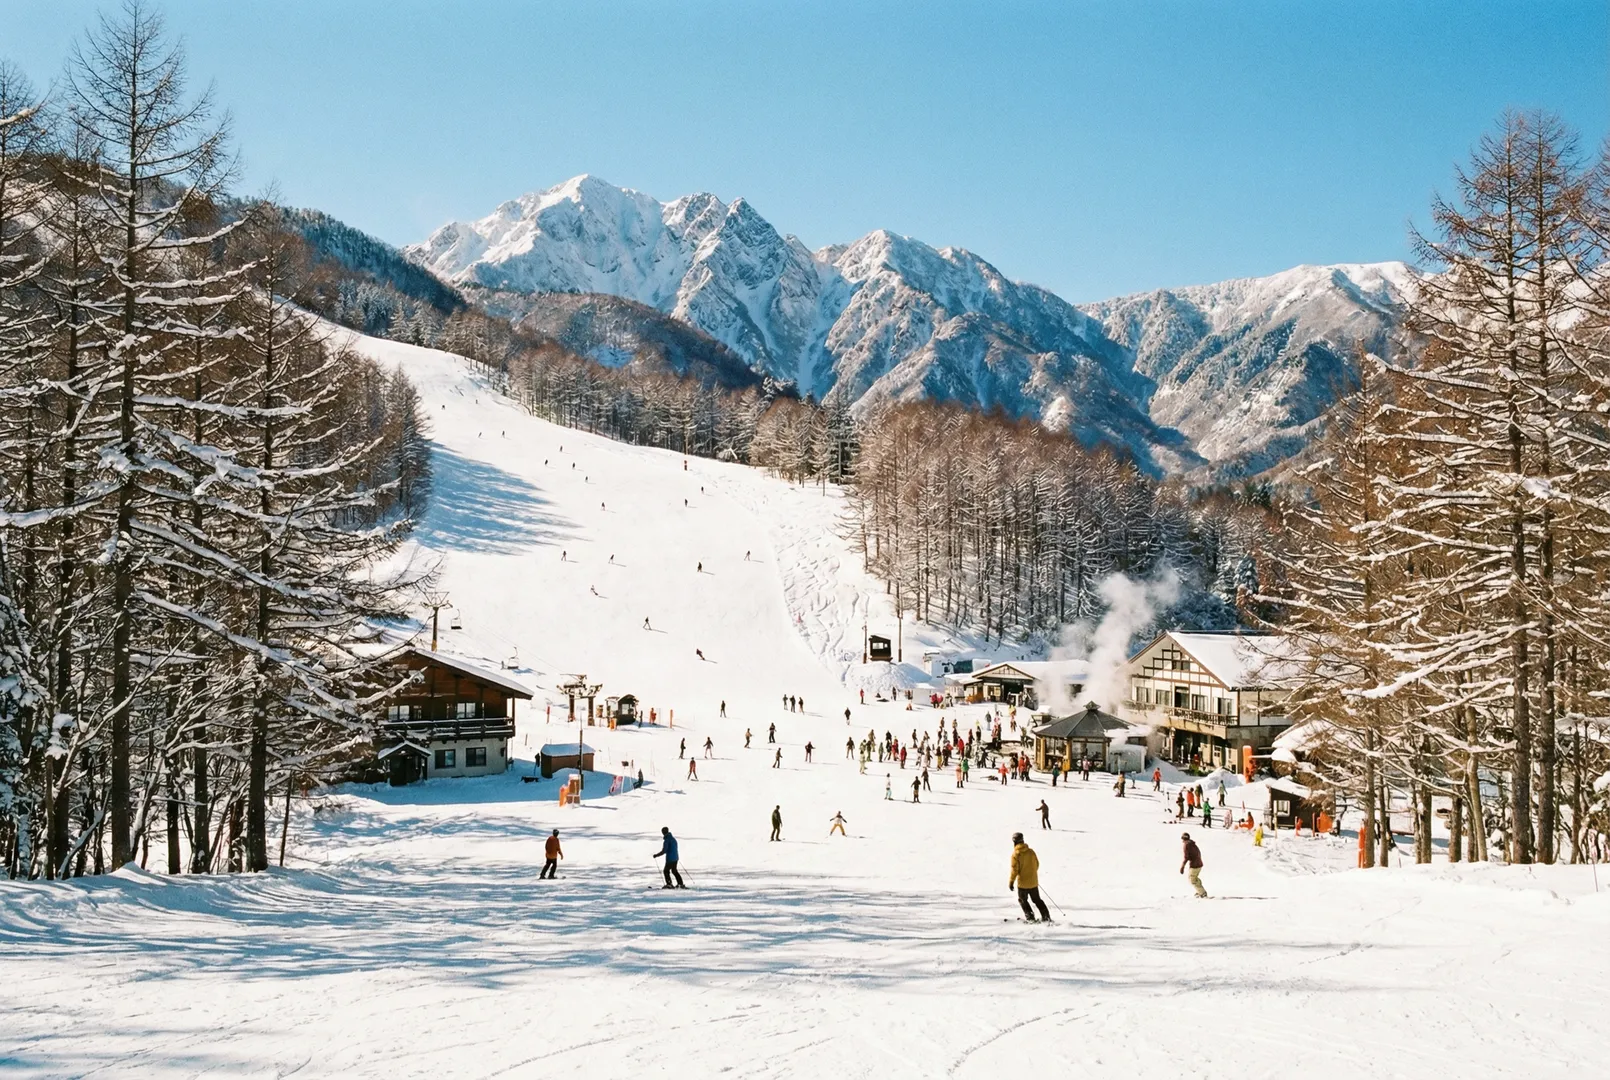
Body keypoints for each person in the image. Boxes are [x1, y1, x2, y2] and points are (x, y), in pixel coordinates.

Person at [1009, 832, 1052, 922]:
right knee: (1037, 900)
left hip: (1023, 884)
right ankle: (1046, 916)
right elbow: (1036, 865)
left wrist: (1011, 882)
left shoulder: (1016, 854)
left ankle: (1030, 917)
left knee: (1022, 900)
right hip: (1033, 882)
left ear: (1014, 842)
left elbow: (1014, 870)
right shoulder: (1031, 852)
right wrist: (1031, 874)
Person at [1180, 831, 1207, 898]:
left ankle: (1202, 893)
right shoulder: (1192, 844)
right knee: (1195, 878)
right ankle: (1200, 891)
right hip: (1199, 864)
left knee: (1192, 879)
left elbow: (1186, 857)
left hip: (1195, 865)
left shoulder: (1186, 845)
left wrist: (1182, 866)